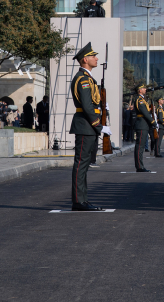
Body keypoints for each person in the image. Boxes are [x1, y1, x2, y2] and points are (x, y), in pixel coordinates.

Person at [69, 43, 105, 211]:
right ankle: (78, 201)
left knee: (84, 164)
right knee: (81, 164)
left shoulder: (88, 78)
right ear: (85, 59)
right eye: (93, 56)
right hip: (85, 125)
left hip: (87, 125)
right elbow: (86, 105)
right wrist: (98, 125)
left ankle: (82, 200)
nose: (96, 58)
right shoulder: (83, 79)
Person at [133, 86, 158, 173]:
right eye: (143, 88)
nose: (145, 90)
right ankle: (139, 167)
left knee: (141, 146)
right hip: (141, 125)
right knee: (140, 146)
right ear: (139, 90)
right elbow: (145, 112)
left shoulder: (143, 100)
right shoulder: (139, 100)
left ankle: (140, 166)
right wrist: (153, 122)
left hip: (144, 125)